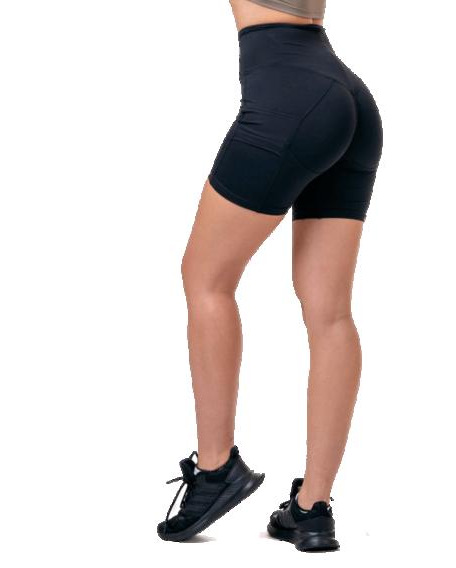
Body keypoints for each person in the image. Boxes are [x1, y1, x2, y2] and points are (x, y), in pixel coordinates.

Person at [157, 0, 383, 552]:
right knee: (330, 312)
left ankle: (215, 468)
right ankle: (312, 509)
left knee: (206, 277)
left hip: (288, 95)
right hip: (346, 95)